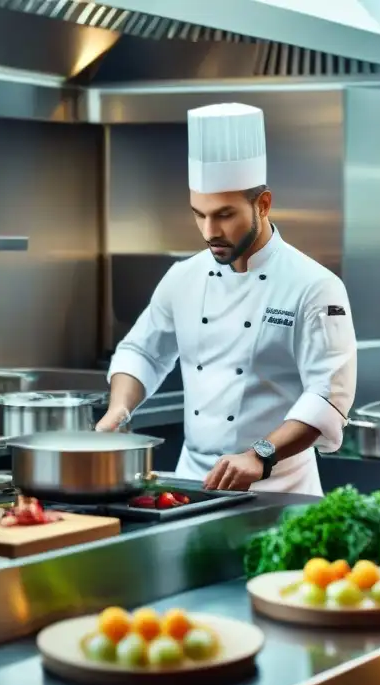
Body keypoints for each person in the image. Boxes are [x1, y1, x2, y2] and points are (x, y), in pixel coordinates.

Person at [96, 102, 357, 495]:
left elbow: (328, 397)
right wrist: (120, 407)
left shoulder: (314, 286)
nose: (209, 230)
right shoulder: (183, 277)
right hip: (190, 488)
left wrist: (259, 455)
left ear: (263, 204)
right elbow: (143, 352)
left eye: (224, 215)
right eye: (198, 214)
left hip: (280, 495)